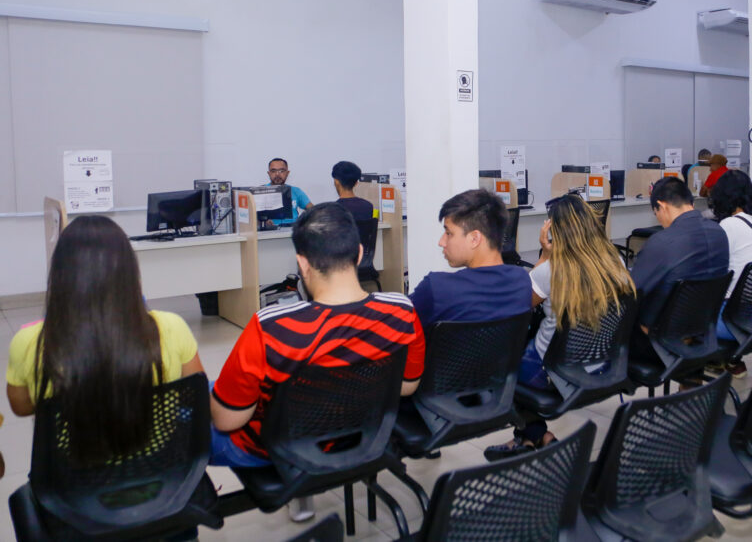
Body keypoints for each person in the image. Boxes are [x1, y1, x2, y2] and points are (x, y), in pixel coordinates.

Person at [210, 203, 425, 521]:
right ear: (360, 253)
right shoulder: (402, 310)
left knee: (198, 407)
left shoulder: (270, 327)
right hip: (363, 435)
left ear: (302, 263)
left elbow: (227, 422)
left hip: (276, 448)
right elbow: (407, 387)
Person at [6, 216, 205, 462]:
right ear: (129, 271)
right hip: (158, 473)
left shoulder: (30, 342)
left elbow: (22, 407)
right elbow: (195, 396)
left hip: (73, 479)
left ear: (60, 274)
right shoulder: (172, 327)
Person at [484, 194, 635, 460]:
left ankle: (530, 437)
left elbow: (516, 306)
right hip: (601, 361)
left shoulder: (551, 271)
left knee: (505, 358)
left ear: (557, 231)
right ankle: (534, 436)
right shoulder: (617, 262)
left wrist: (544, 255)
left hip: (554, 369)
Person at [408, 189, 532, 328]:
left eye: (449, 233)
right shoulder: (521, 281)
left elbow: (397, 323)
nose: (441, 242)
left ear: (474, 239)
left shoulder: (436, 289)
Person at [630, 177, 729, 331]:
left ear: (662, 206)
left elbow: (632, 290)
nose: (659, 220)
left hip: (660, 331)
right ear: (691, 203)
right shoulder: (720, 233)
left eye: (656, 213)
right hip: (704, 327)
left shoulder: (662, 241)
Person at [709, 170, 752, 376]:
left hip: (734, 321)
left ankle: (698, 370)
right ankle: (731, 361)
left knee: (686, 311)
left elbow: (714, 271)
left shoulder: (729, 225)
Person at [266, 157, 314, 227]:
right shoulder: (260, 192)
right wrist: (261, 223)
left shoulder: (295, 191)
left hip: (293, 230)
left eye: (281, 171)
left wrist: (303, 222)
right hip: (269, 232)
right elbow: (252, 217)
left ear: (287, 173)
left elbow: (313, 210)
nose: (277, 174)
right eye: (273, 171)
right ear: (269, 173)